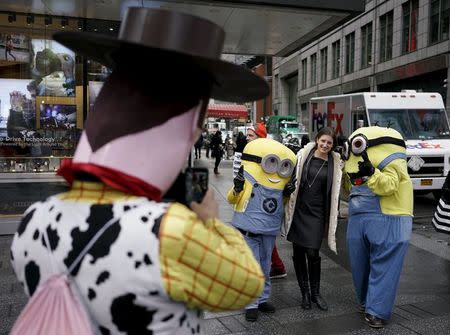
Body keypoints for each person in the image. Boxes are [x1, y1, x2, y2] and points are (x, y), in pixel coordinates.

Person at [9, 7, 270, 334]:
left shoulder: (33, 220)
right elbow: (248, 283)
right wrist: (210, 223)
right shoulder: (170, 232)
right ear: (188, 126)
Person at [343, 126, 413, 328]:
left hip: (390, 216)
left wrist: (372, 173)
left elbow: (390, 185)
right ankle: (366, 302)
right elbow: (349, 186)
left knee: (384, 265)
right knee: (359, 263)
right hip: (359, 216)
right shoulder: (353, 161)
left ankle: (377, 311)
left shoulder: (393, 160)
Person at [228, 138, 297, 322]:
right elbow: (231, 199)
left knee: (265, 267)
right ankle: (251, 303)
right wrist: (237, 188)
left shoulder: (280, 185)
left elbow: (278, 206)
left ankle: (262, 299)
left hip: (268, 231)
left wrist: (286, 194)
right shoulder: (247, 181)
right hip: (248, 232)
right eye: (271, 162)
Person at [284, 127, 343, 311]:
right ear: (317, 139)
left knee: (313, 253)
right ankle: (305, 294)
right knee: (299, 253)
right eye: (323, 141)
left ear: (333, 145)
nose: (325, 145)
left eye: (329, 142)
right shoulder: (303, 156)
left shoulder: (335, 163)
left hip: (317, 213)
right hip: (299, 210)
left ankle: (316, 293)